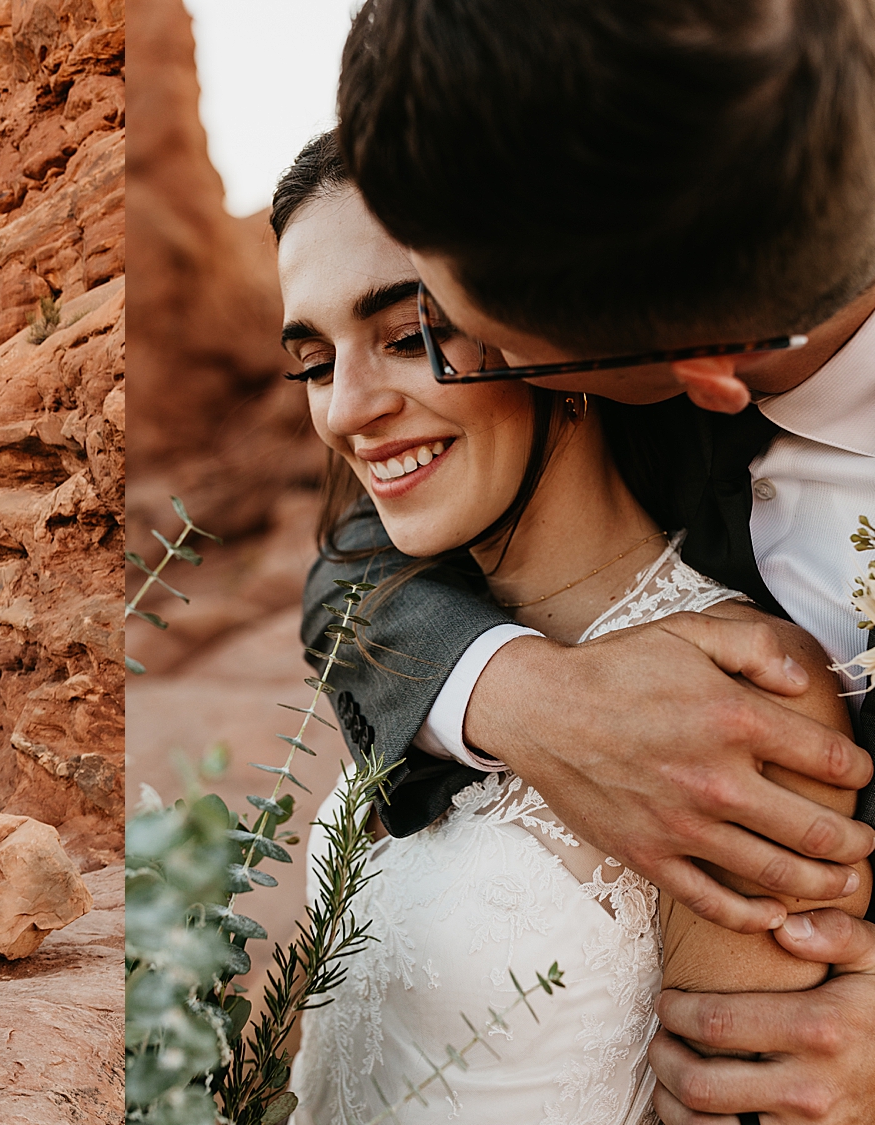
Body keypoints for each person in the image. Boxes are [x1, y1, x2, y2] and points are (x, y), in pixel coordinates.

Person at [317, 3, 875, 1119]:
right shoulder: (653, 185)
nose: (462, 368)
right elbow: (354, 556)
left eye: (467, 340)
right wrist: (524, 696)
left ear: (705, 371)